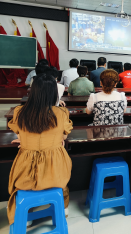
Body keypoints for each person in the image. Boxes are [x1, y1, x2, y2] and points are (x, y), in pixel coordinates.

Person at [7, 73, 73, 225]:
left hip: (25, 169)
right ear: (54, 93)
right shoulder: (61, 113)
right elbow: (63, 136)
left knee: (21, 187)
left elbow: (19, 131)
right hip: (55, 169)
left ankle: (24, 214)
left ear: (33, 90)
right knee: (63, 182)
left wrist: (25, 140)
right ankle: (63, 209)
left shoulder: (19, 112)